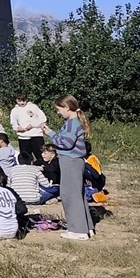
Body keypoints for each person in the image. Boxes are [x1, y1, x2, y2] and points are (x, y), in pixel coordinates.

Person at [42, 94, 94, 241]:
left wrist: (50, 133)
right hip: (73, 161)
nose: (58, 112)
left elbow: (66, 143)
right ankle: (86, 227)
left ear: (66, 107)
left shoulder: (72, 123)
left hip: (70, 162)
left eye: (59, 109)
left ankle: (78, 230)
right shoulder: (74, 122)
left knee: (70, 196)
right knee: (78, 195)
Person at [10, 95, 48, 163]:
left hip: (36, 135)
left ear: (26, 99)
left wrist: (32, 125)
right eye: (19, 101)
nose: (22, 103)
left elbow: (43, 119)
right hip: (23, 136)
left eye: (24, 100)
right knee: (25, 157)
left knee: (40, 155)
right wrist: (18, 128)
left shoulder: (33, 107)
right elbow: (13, 123)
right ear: (16, 100)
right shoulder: (14, 110)